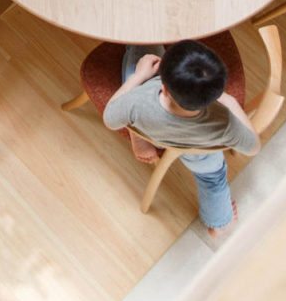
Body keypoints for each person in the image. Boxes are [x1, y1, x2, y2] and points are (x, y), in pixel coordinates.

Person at [103, 40, 259, 236]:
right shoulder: (223, 121)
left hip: (151, 125)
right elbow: (252, 147)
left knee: (142, 49)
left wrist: (139, 76)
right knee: (213, 179)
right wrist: (230, 101)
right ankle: (219, 223)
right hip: (199, 151)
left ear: (165, 88)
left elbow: (110, 118)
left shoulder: (139, 101)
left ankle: (136, 131)